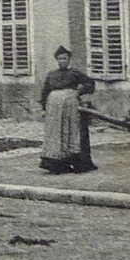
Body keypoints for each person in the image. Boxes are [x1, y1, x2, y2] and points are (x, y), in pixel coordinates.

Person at [39, 45, 98, 174]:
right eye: (59, 59)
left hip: (70, 108)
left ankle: (77, 162)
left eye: (64, 58)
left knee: (71, 133)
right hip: (54, 109)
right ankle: (56, 164)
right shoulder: (51, 75)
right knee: (56, 134)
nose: (62, 61)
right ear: (56, 60)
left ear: (69, 60)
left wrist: (79, 91)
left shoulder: (74, 73)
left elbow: (90, 83)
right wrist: (43, 108)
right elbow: (45, 92)